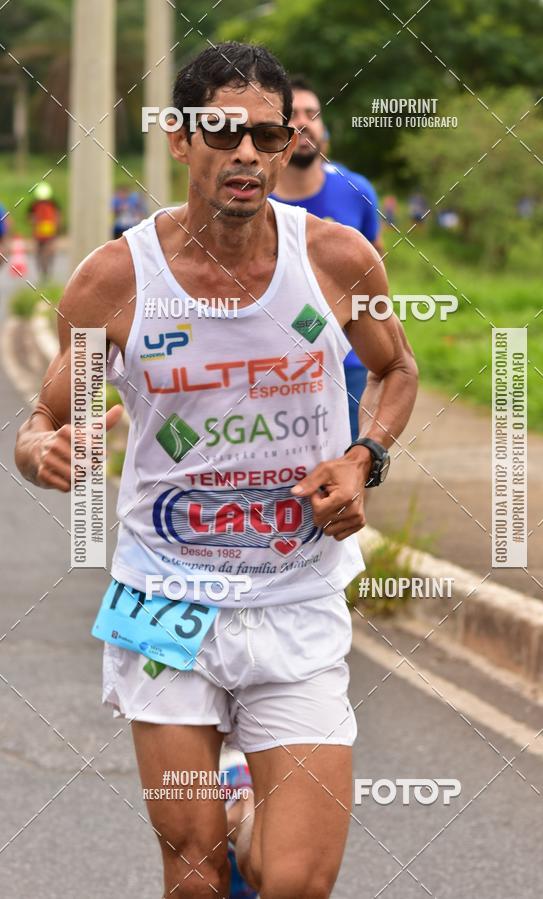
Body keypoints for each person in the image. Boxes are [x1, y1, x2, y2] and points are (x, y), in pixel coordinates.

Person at [15, 42, 418, 899]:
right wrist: (38, 448)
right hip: (165, 601)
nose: (246, 153)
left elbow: (398, 369)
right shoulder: (113, 280)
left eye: (266, 137)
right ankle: (223, 820)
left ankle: (246, 814)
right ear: (180, 139)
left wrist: (362, 457)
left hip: (295, 593)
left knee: (295, 879)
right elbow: (48, 414)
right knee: (194, 875)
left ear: (286, 147)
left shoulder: (341, 258)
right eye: (223, 131)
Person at [271, 76, 384, 444]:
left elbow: (374, 267)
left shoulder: (356, 190)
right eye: (292, 114)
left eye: (312, 113)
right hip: (268, 363)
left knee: (347, 476)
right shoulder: (251, 195)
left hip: (347, 361)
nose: (303, 121)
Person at [27, 181, 60, 280]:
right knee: (48, 251)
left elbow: (30, 218)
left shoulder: (34, 205)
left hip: (39, 233)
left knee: (39, 252)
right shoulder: (53, 203)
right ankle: (47, 269)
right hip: (50, 232)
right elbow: (58, 217)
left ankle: (42, 270)